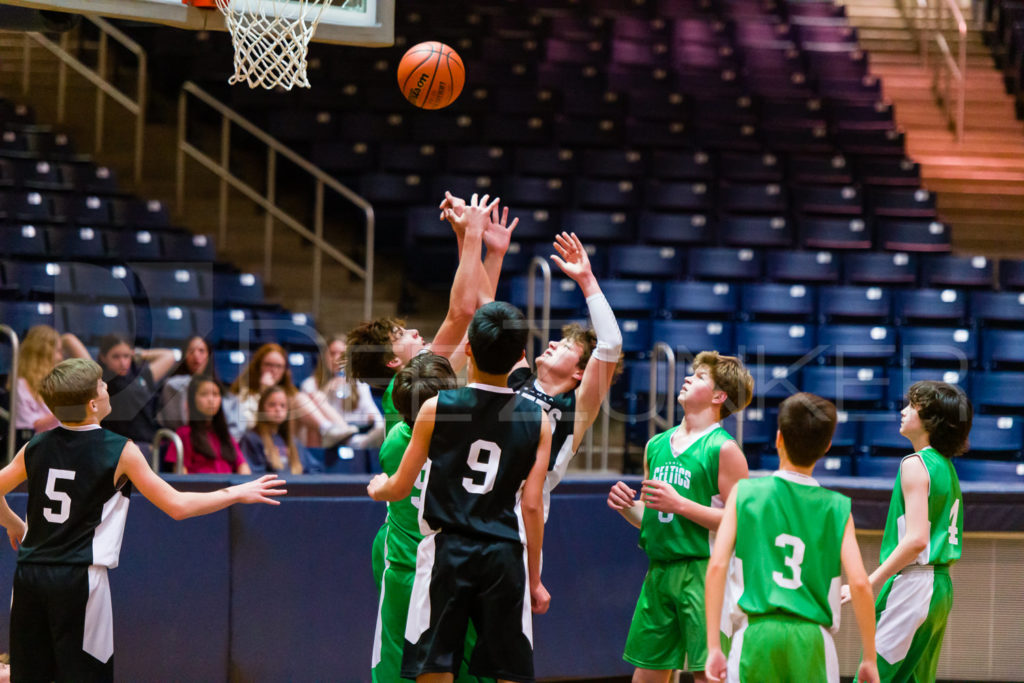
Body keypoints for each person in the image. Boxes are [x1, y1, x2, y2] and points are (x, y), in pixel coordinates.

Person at [0, 358, 285, 682]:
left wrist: (11, 522)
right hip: (79, 579)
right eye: (103, 386)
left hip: (29, 575)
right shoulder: (120, 450)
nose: (108, 389)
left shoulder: (35, 446)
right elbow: (177, 505)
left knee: (29, 676)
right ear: (93, 403)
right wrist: (234, 493)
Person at [368, 302, 552, 683]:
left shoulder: (436, 408)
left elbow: (400, 486)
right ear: (521, 356)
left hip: (447, 553)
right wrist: (534, 579)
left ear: (467, 349)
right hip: (503, 554)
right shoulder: (537, 420)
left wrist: (376, 488)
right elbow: (532, 506)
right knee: (507, 670)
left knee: (434, 668)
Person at [703, 393, 879, 683]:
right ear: (827, 448)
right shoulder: (837, 507)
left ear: (778, 439)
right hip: (812, 640)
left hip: (756, 634)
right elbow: (860, 583)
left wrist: (712, 647)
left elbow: (717, 567)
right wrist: (870, 658)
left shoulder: (744, 494)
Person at [607, 351, 753, 683]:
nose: (688, 378)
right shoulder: (655, 444)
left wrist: (681, 505)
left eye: (700, 377)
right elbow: (655, 516)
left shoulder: (725, 450)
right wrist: (629, 507)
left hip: (703, 572)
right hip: (659, 571)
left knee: (707, 674)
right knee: (647, 674)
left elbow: (742, 523)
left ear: (719, 397)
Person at [347, 192, 515, 437]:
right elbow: (462, 313)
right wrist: (471, 235)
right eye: (401, 335)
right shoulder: (403, 386)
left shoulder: (423, 376)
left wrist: (492, 254)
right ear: (392, 361)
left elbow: (477, 323)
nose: (414, 331)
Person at [372, 353, 485, 683]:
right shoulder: (475, 440)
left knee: (395, 665)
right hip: (460, 571)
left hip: (408, 571)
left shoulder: (394, 443)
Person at [846, 380, 970, 683]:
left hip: (915, 585)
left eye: (911, 407)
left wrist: (868, 581)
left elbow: (916, 541)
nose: (902, 412)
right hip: (940, 587)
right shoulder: (947, 466)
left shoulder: (915, 464)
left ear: (931, 420)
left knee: (873, 676)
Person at [508, 231, 622, 516]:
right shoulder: (518, 379)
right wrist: (485, 248)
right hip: (480, 501)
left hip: (523, 511)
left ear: (581, 371)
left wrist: (587, 280)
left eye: (565, 345)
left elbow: (611, 344)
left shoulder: (578, 406)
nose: (551, 343)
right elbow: (482, 307)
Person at [230, 342, 356, 448]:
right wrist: (265, 393)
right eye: (268, 365)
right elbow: (246, 425)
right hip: (260, 439)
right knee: (300, 399)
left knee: (314, 397)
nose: (274, 370)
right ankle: (331, 431)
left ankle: (342, 432)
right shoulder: (245, 393)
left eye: (279, 366)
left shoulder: (289, 392)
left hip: (290, 438)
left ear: (285, 371)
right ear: (258, 367)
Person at [300, 335, 385, 449]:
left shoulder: (359, 382)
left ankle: (354, 440)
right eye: (332, 353)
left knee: (387, 425)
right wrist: (326, 390)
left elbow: (374, 417)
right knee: (314, 397)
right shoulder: (310, 384)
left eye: (342, 353)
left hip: (356, 433)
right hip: (323, 439)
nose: (336, 358)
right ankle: (352, 440)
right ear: (323, 357)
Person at [97, 333, 176, 450]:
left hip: (149, 444)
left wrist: (140, 353)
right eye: (116, 357)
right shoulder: (100, 380)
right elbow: (69, 340)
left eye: (126, 356)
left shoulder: (141, 376)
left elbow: (170, 356)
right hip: (120, 446)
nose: (123, 362)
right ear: (103, 357)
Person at [158, 335, 245, 439]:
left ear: (209, 355)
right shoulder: (172, 385)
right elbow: (173, 422)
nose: (196, 355)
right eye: (191, 351)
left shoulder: (224, 393)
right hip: (185, 440)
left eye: (201, 351)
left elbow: (235, 427)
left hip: (218, 444)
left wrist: (220, 442)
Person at [166, 376, 251, 475]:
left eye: (215, 394)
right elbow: (181, 476)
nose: (211, 400)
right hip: (200, 488)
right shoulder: (184, 434)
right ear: (192, 400)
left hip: (231, 489)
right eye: (204, 394)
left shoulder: (225, 435)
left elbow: (243, 468)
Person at [13, 326, 90, 435]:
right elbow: (32, 428)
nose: (60, 357)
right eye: (58, 351)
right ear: (44, 354)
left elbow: (91, 371)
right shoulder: (21, 385)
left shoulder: (57, 381)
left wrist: (68, 339)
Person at [239, 386, 320, 475]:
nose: (278, 409)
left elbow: (314, 470)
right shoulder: (251, 439)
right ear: (262, 408)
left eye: (283, 406)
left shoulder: (294, 441)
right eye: (272, 405)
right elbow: (254, 476)